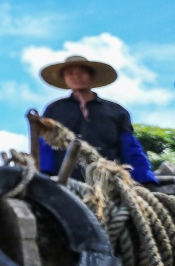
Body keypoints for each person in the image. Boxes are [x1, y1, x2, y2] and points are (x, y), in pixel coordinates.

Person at [37, 55, 157, 185]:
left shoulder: (116, 111)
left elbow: (130, 147)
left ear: (91, 76)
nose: (76, 77)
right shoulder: (54, 109)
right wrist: (44, 174)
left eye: (82, 72)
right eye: (70, 73)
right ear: (64, 78)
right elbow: (44, 146)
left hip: (109, 180)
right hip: (64, 180)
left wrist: (144, 177)